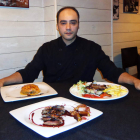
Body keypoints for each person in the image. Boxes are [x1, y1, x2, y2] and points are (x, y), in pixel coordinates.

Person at [0, 6, 140, 90]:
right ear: (57, 26)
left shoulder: (92, 48)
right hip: (52, 100)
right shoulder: (47, 48)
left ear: (78, 25)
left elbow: (113, 72)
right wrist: (3, 81)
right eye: (63, 23)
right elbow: (28, 73)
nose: (68, 27)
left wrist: (135, 80)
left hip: (84, 100)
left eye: (73, 23)